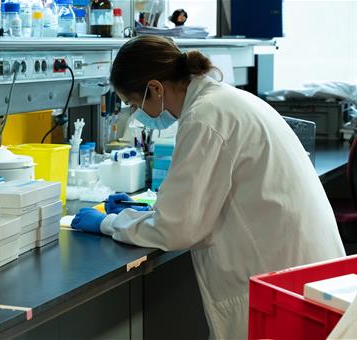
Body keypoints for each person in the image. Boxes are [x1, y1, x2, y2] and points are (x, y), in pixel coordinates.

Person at [71, 35, 346, 339]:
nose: (140, 114)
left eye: (136, 104)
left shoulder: (205, 117)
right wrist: (145, 212)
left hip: (279, 280)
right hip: (305, 271)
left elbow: (176, 229)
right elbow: (205, 197)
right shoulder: (224, 100)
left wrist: (109, 223)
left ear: (156, 88)